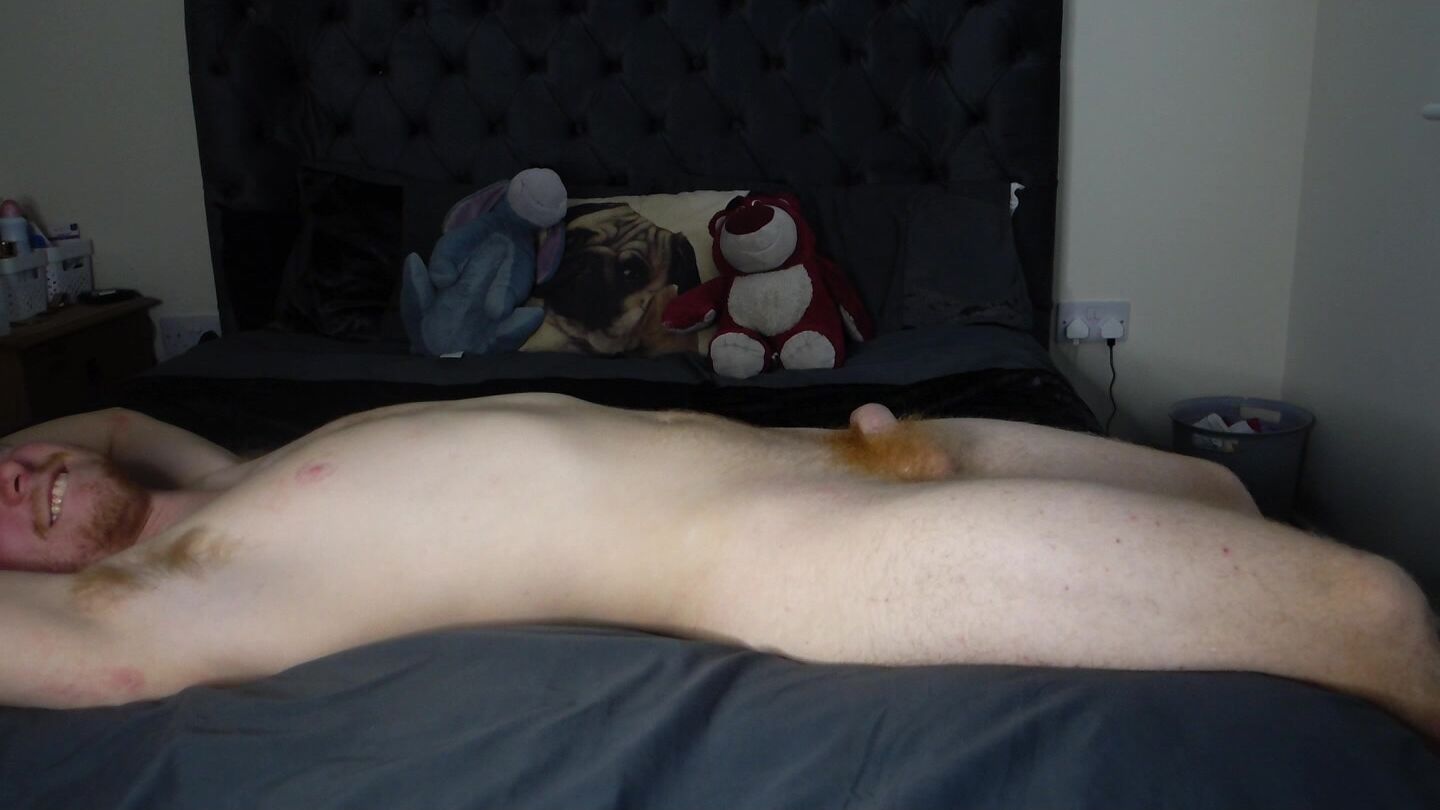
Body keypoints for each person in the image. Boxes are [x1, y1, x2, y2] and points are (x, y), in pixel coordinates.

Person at [1, 395, 1437, 741]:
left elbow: (110, 419)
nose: (17, 474)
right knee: (1374, 609)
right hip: (800, 555)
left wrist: (36, 462)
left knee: (1222, 485)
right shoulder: (145, 603)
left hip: (839, 444)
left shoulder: (213, 473)